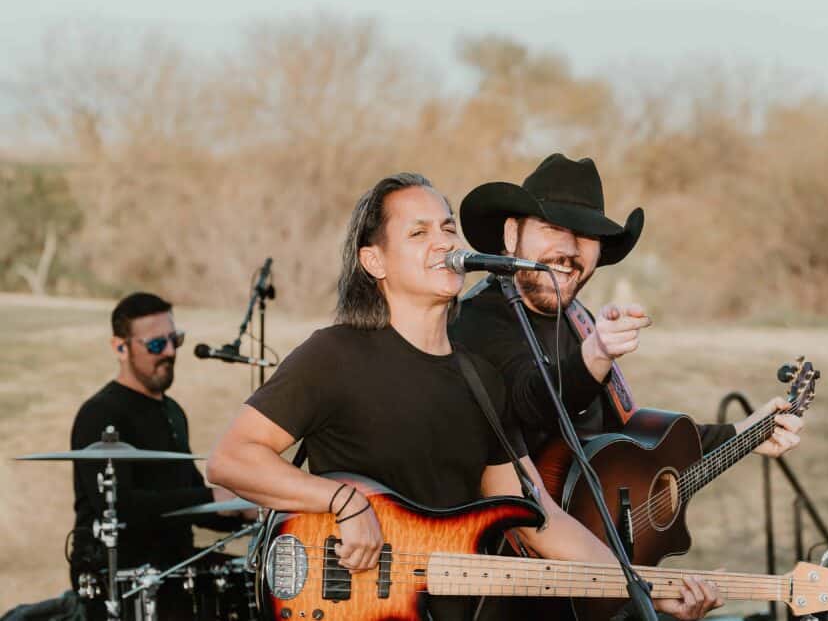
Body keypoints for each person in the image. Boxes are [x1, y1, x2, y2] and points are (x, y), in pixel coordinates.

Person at [207, 173, 723, 620]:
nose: (443, 241)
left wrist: (645, 589)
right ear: (374, 260)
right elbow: (232, 460)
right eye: (419, 232)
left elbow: (540, 519)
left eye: (447, 227)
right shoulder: (334, 354)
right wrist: (340, 500)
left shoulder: (479, 378)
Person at [451, 153, 804, 463]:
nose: (570, 249)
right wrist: (597, 354)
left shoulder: (578, 321)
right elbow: (531, 403)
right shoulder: (476, 319)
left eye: (587, 235)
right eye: (553, 227)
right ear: (512, 235)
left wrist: (742, 434)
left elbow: (630, 438)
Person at [69, 292, 245, 621]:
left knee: (256, 581)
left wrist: (245, 509)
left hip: (176, 565)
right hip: (125, 580)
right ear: (120, 348)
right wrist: (211, 497)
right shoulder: (100, 414)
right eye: (155, 344)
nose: (170, 351)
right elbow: (122, 506)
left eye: (175, 339)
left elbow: (191, 497)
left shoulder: (172, 412)